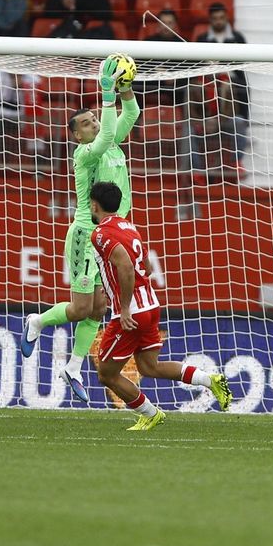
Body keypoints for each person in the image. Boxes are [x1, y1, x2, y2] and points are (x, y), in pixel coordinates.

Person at [21, 58, 140, 401]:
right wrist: (105, 93)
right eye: (86, 123)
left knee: (101, 309)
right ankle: (37, 322)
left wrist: (124, 90)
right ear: (77, 134)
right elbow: (103, 137)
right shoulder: (86, 153)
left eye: (94, 120)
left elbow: (130, 115)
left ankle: (73, 367)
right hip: (87, 236)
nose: (93, 124)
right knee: (81, 309)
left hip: (113, 234)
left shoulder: (112, 142)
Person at [87, 181, 233, 430]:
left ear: (94, 204)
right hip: (151, 304)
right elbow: (147, 265)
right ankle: (210, 380)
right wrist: (111, 286)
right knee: (149, 366)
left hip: (131, 311)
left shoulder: (100, 233)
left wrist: (122, 307)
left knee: (107, 374)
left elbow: (124, 265)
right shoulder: (129, 227)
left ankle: (150, 413)